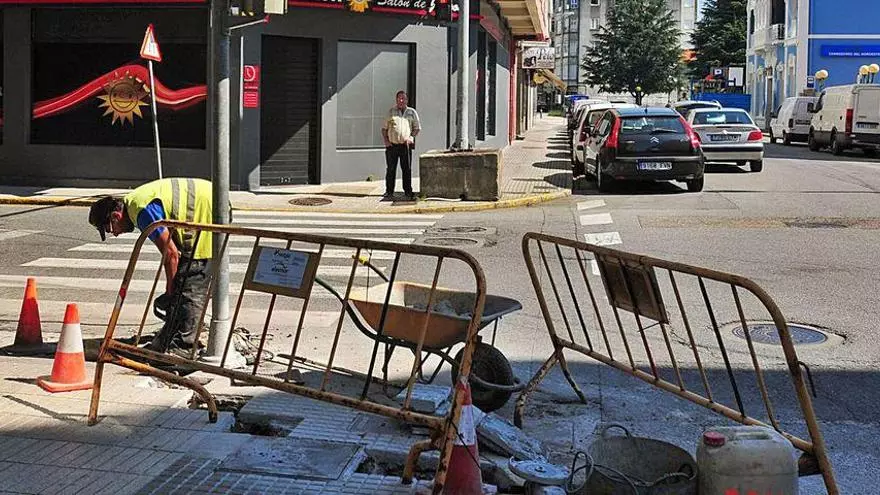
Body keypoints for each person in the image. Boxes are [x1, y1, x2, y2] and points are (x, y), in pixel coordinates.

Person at [88, 178, 215, 356]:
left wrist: (170, 290)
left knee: (190, 288)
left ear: (116, 216)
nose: (115, 234)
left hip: (208, 210)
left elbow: (170, 254)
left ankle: (184, 348)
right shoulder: (136, 203)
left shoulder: (142, 210)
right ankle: (166, 342)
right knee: (181, 288)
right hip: (208, 203)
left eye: (111, 229)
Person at [381, 90, 420, 200]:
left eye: (403, 98)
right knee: (391, 169)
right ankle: (389, 191)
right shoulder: (391, 112)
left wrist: (411, 137)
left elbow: (417, 128)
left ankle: (408, 191)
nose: (401, 100)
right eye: (399, 98)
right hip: (392, 146)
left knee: (406, 169)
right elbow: (384, 129)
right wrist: (386, 141)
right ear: (396, 100)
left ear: (407, 100)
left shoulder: (412, 112)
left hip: (405, 146)